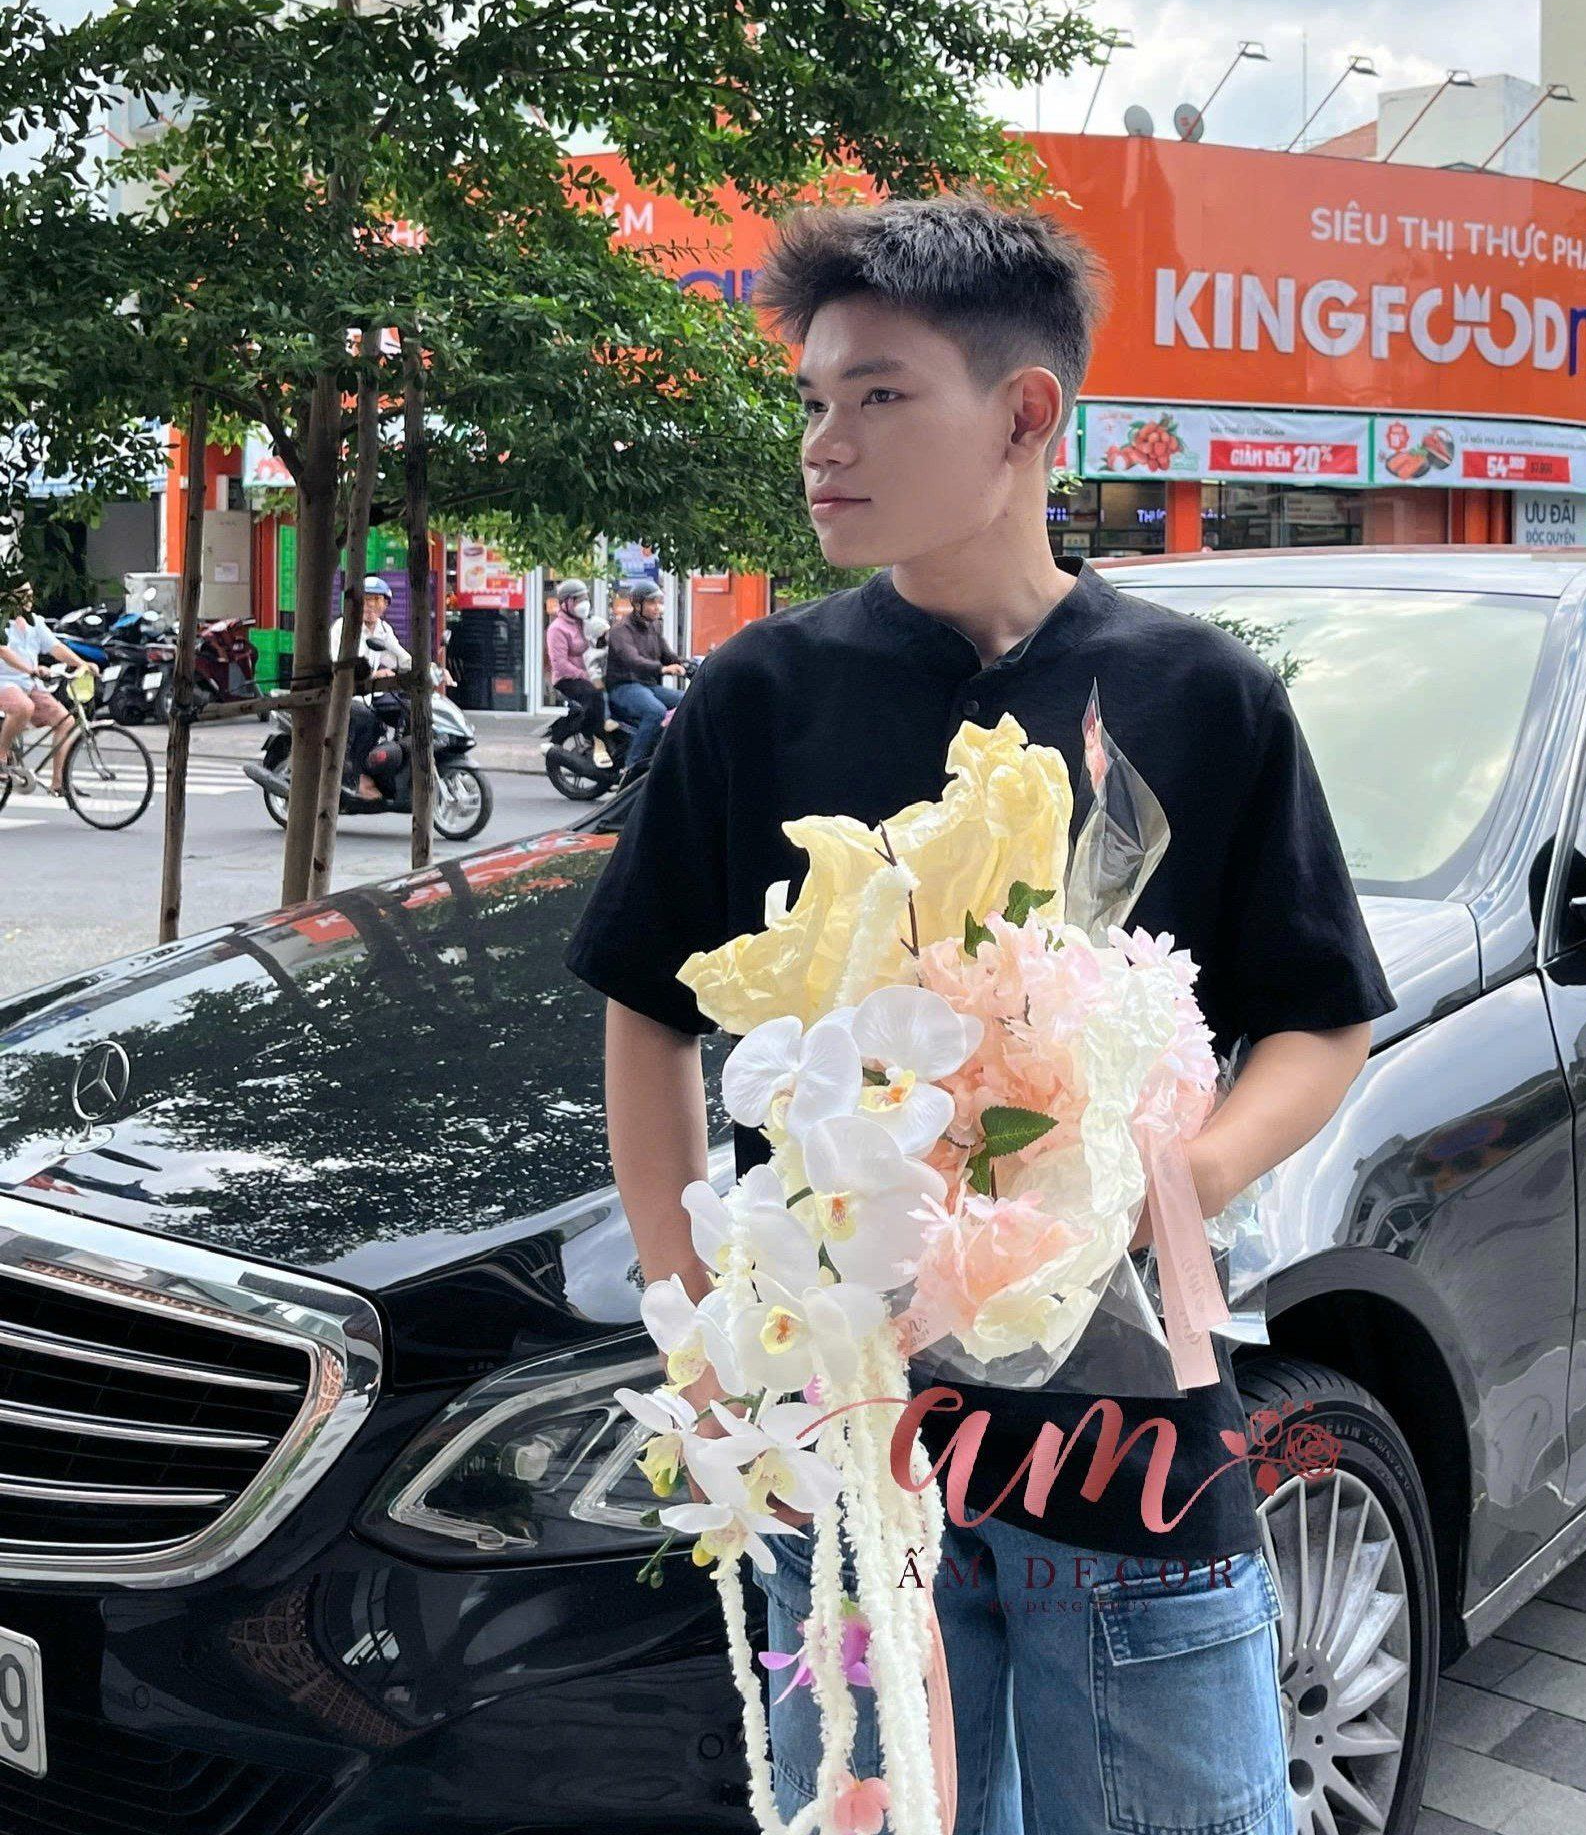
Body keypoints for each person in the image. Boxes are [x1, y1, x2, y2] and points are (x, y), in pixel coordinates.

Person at [565, 194, 1395, 1835]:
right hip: (850, 1437)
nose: (825, 443)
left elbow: (1320, 1023)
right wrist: (698, 1325)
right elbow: (649, 1014)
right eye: (815, 399)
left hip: (1125, 1438)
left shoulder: (1201, 696)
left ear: (1025, 416)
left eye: (879, 395)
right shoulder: (755, 698)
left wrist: (1170, 1183)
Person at [1, 575, 95, 795]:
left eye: (30, 594)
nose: (28, 599)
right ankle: (1, 756)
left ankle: (58, 782)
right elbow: (3, 651)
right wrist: (30, 669)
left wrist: (82, 664)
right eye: (22, 594)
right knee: (24, 707)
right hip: (4, 681)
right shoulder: (1, 622)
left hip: (28, 683)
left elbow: (55, 647)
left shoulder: (35, 622)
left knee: (65, 721)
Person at [329, 576, 410, 801]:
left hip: (369, 695)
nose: (370, 605)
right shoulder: (343, 627)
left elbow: (401, 658)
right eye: (365, 600)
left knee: (406, 709)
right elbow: (340, 665)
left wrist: (431, 670)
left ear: (386, 604)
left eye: (376, 600)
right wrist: (374, 675)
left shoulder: (383, 630)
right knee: (369, 722)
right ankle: (359, 779)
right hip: (342, 695)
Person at [602, 577, 688, 777]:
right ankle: (631, 767)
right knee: (655, 711)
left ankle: (663, 752)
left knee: (687, 700)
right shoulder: (620, 630)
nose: (658, 607)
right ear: (637, 604)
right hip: (624, 686)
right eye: (652, 602)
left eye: (659, 602)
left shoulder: (654, 626)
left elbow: (667, 654)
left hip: (648, 686)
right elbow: (632, 660)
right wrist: (663, 669)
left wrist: (687, 663)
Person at [546, 578, 607, 749]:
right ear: (565, 603)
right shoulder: (557, 629)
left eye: (586, 598)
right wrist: (585, 675)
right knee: (595, 696)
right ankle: (591, 737)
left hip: (588, 673)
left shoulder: (585, 623)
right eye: (578, 599)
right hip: (567, 679)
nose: (584, 603)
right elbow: (560, 664)